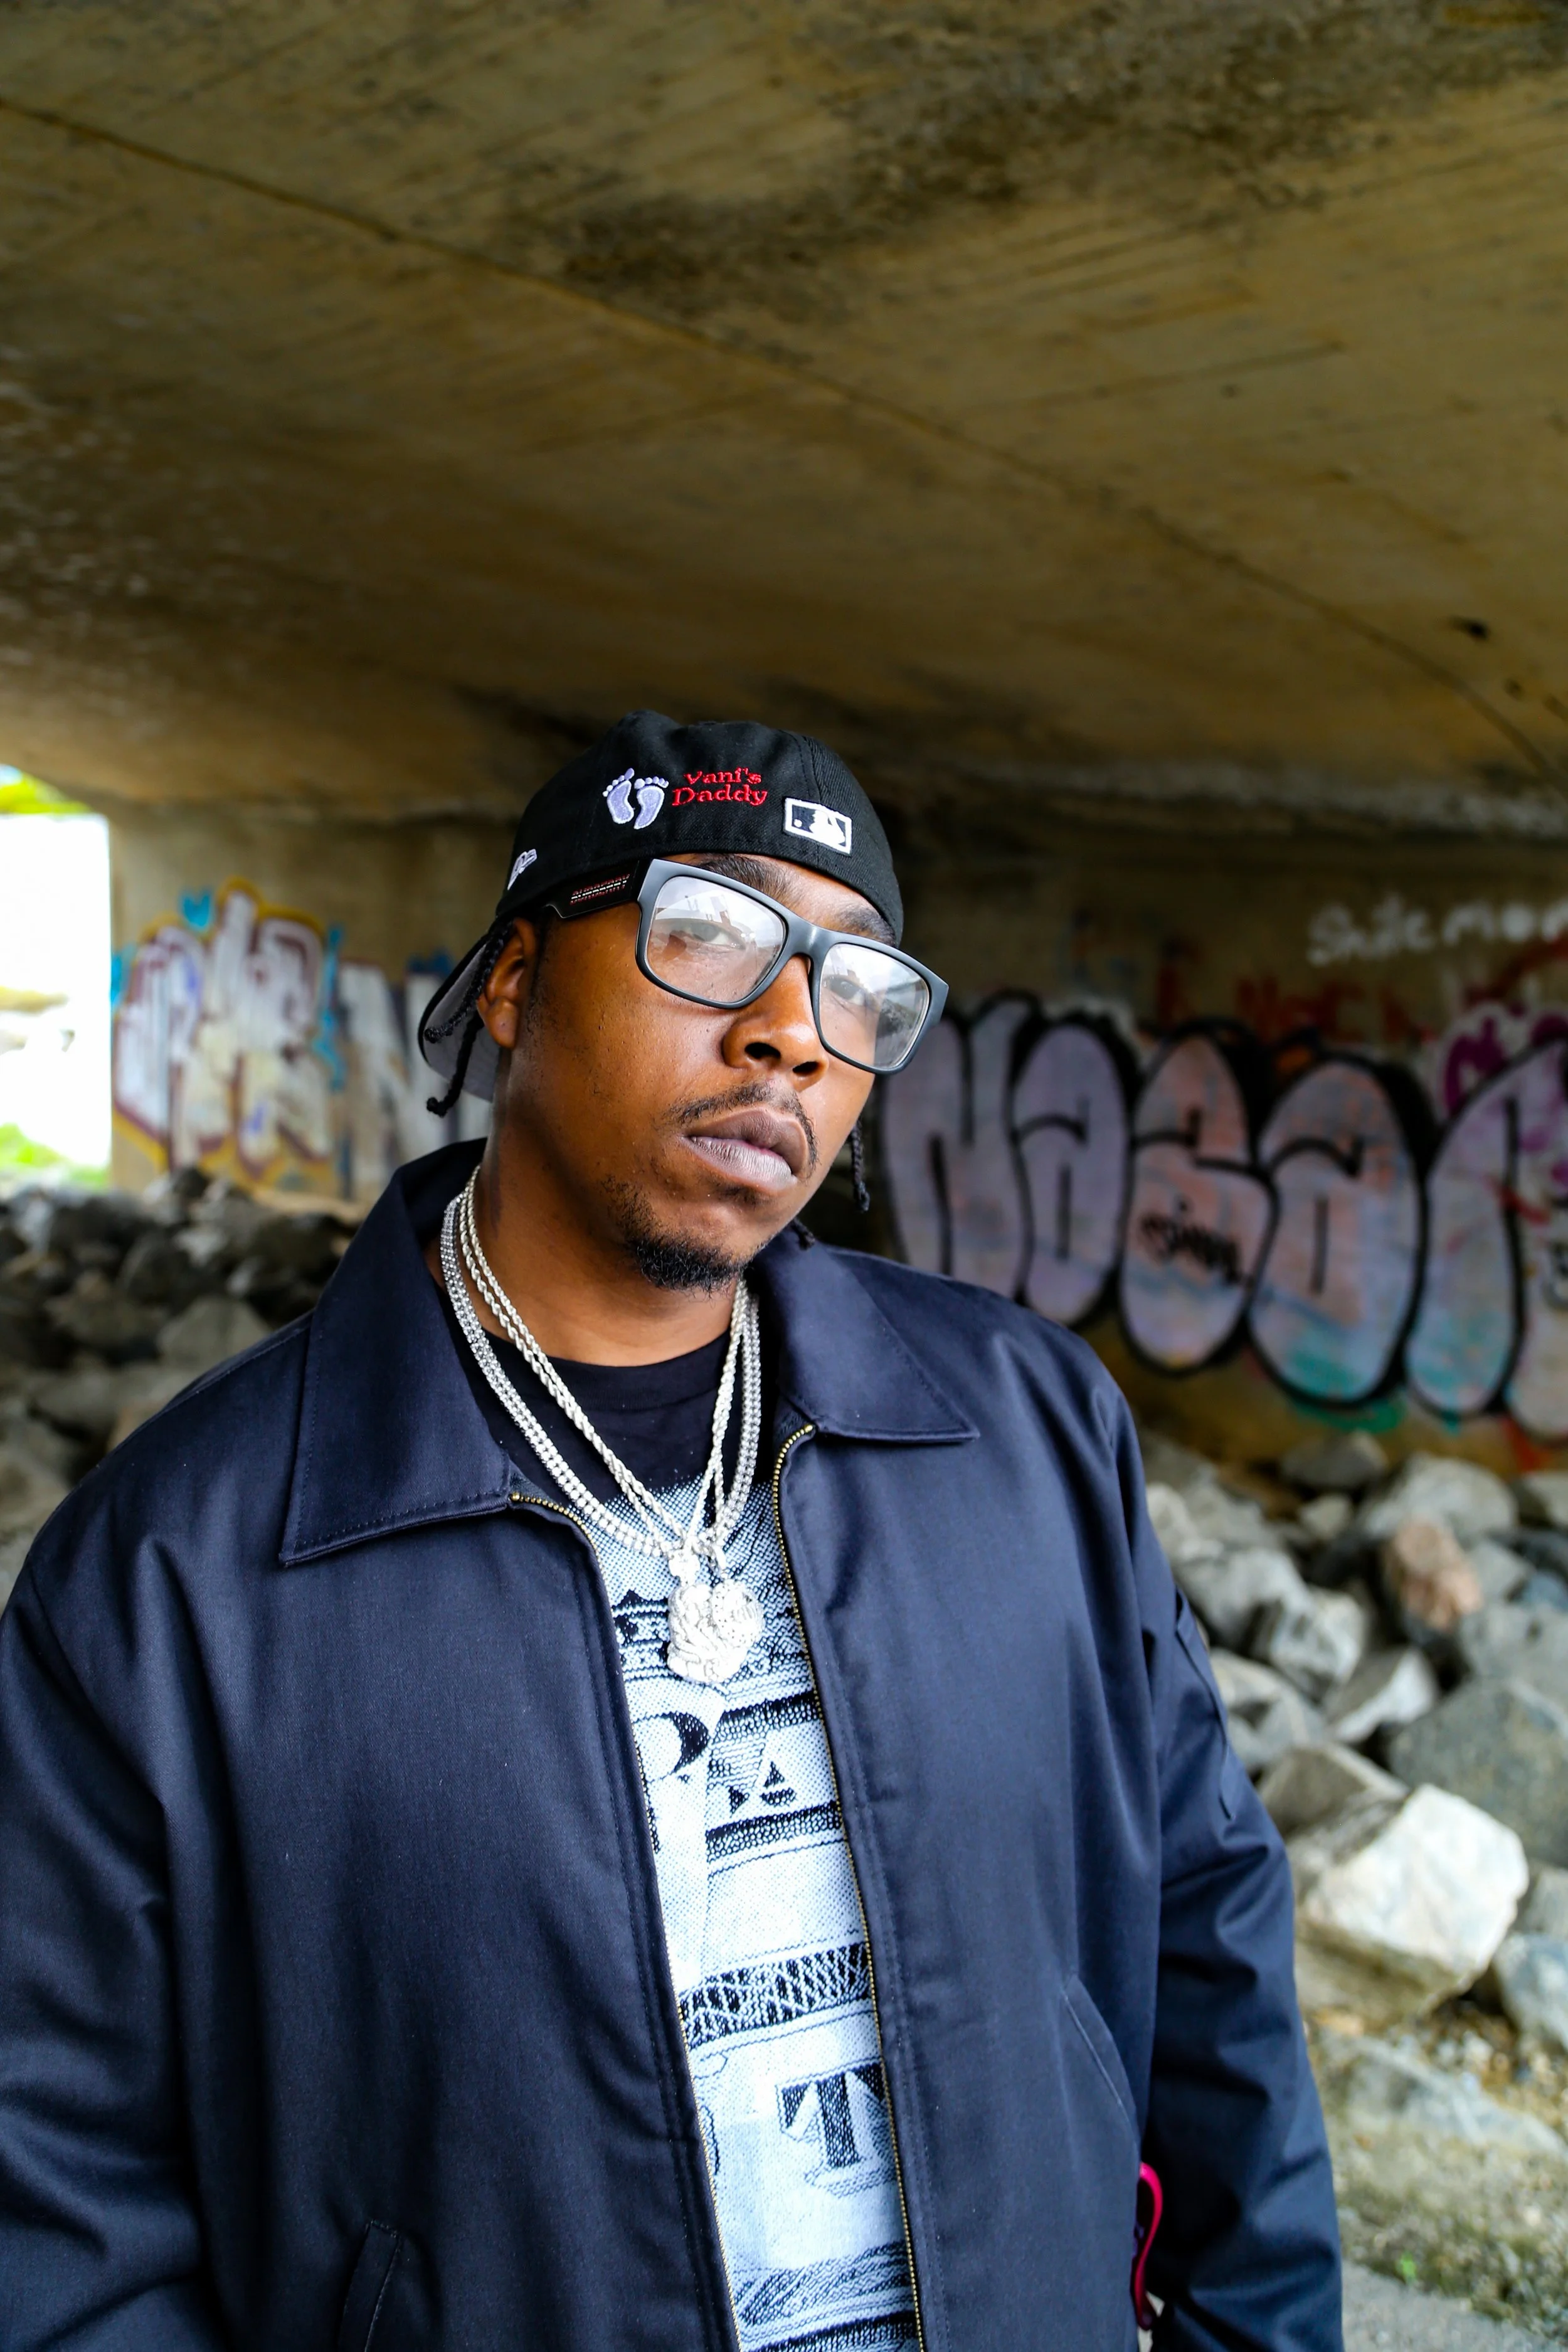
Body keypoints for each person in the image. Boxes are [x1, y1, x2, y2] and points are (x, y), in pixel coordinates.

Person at [0, 712, 1340, 2351]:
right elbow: (60, 2195)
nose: (790, 1031)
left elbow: (1208, 1938)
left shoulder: (1021, 1429)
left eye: (854, 987)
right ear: (507, 983)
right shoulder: (177, 1567)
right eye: (705, 934)